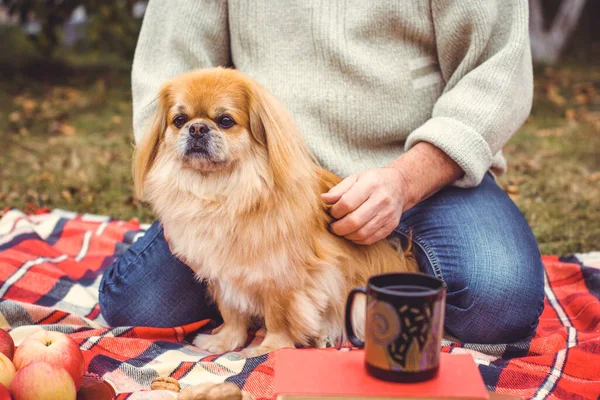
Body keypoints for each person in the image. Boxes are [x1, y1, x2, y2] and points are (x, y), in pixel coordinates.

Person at [99, 1, 545, 344]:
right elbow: (168, 75)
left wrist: (408, 179)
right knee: (137, 304)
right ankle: (278, 293)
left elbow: (497, 71)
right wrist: (188, 207)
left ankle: (346, 284)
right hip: (253, 180)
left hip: (429, 172)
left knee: (498, 300)